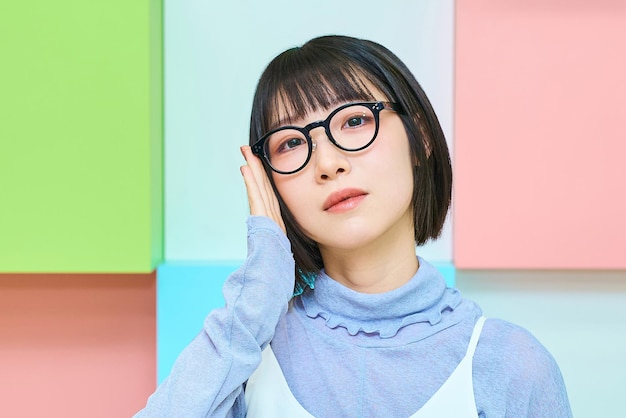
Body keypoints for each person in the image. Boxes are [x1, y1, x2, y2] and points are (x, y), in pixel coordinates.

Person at [135, 35, 572, 417]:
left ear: (418, 137)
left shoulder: (510, 365)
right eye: (291, 143)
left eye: (355, 120)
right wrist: (260, 289)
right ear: (268, 182)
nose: (328, 164)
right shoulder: (246, 353)